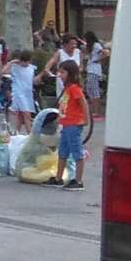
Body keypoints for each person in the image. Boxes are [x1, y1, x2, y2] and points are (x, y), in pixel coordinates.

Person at [50, 60, 88, 191]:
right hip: (66, 124)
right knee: (63, 152)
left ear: (70, 73)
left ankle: (78, 180)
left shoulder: (74, 89)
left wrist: (85, 119)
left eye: (63, 72)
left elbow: (83, 102)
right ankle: (58, 178)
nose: (60, 75)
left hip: (73, 124)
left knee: (77, 152)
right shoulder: (67, 89)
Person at [44, 35, 84, 102]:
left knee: (76, 99)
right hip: (62, 80)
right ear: (65, 44)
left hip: (75, 80)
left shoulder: (78, 52)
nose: (74, 46)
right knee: (63, 101)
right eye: (72, 44)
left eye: (75, 44)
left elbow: (81, 66)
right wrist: (47, 70)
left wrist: (77, 71)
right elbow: (51, 62)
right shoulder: (60, 52)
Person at [8, 50, 37, 134]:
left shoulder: (31, 68)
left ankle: (15, 133)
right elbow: (3, 72)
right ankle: (30, 134)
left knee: (21, 116)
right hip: (19, 93)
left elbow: (32, 80)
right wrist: (11, 62)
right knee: (27, 114)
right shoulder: (15, 68)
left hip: (28, 94)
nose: (27, 63)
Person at [82, 31, 108, 119]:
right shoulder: (91, 47)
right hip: (90, 69)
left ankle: (97, 111)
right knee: (90, 89)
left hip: (94, 70)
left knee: (94, 89)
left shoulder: (96, 45)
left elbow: (105, 52)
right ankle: (94, 109)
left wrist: (98, 59)